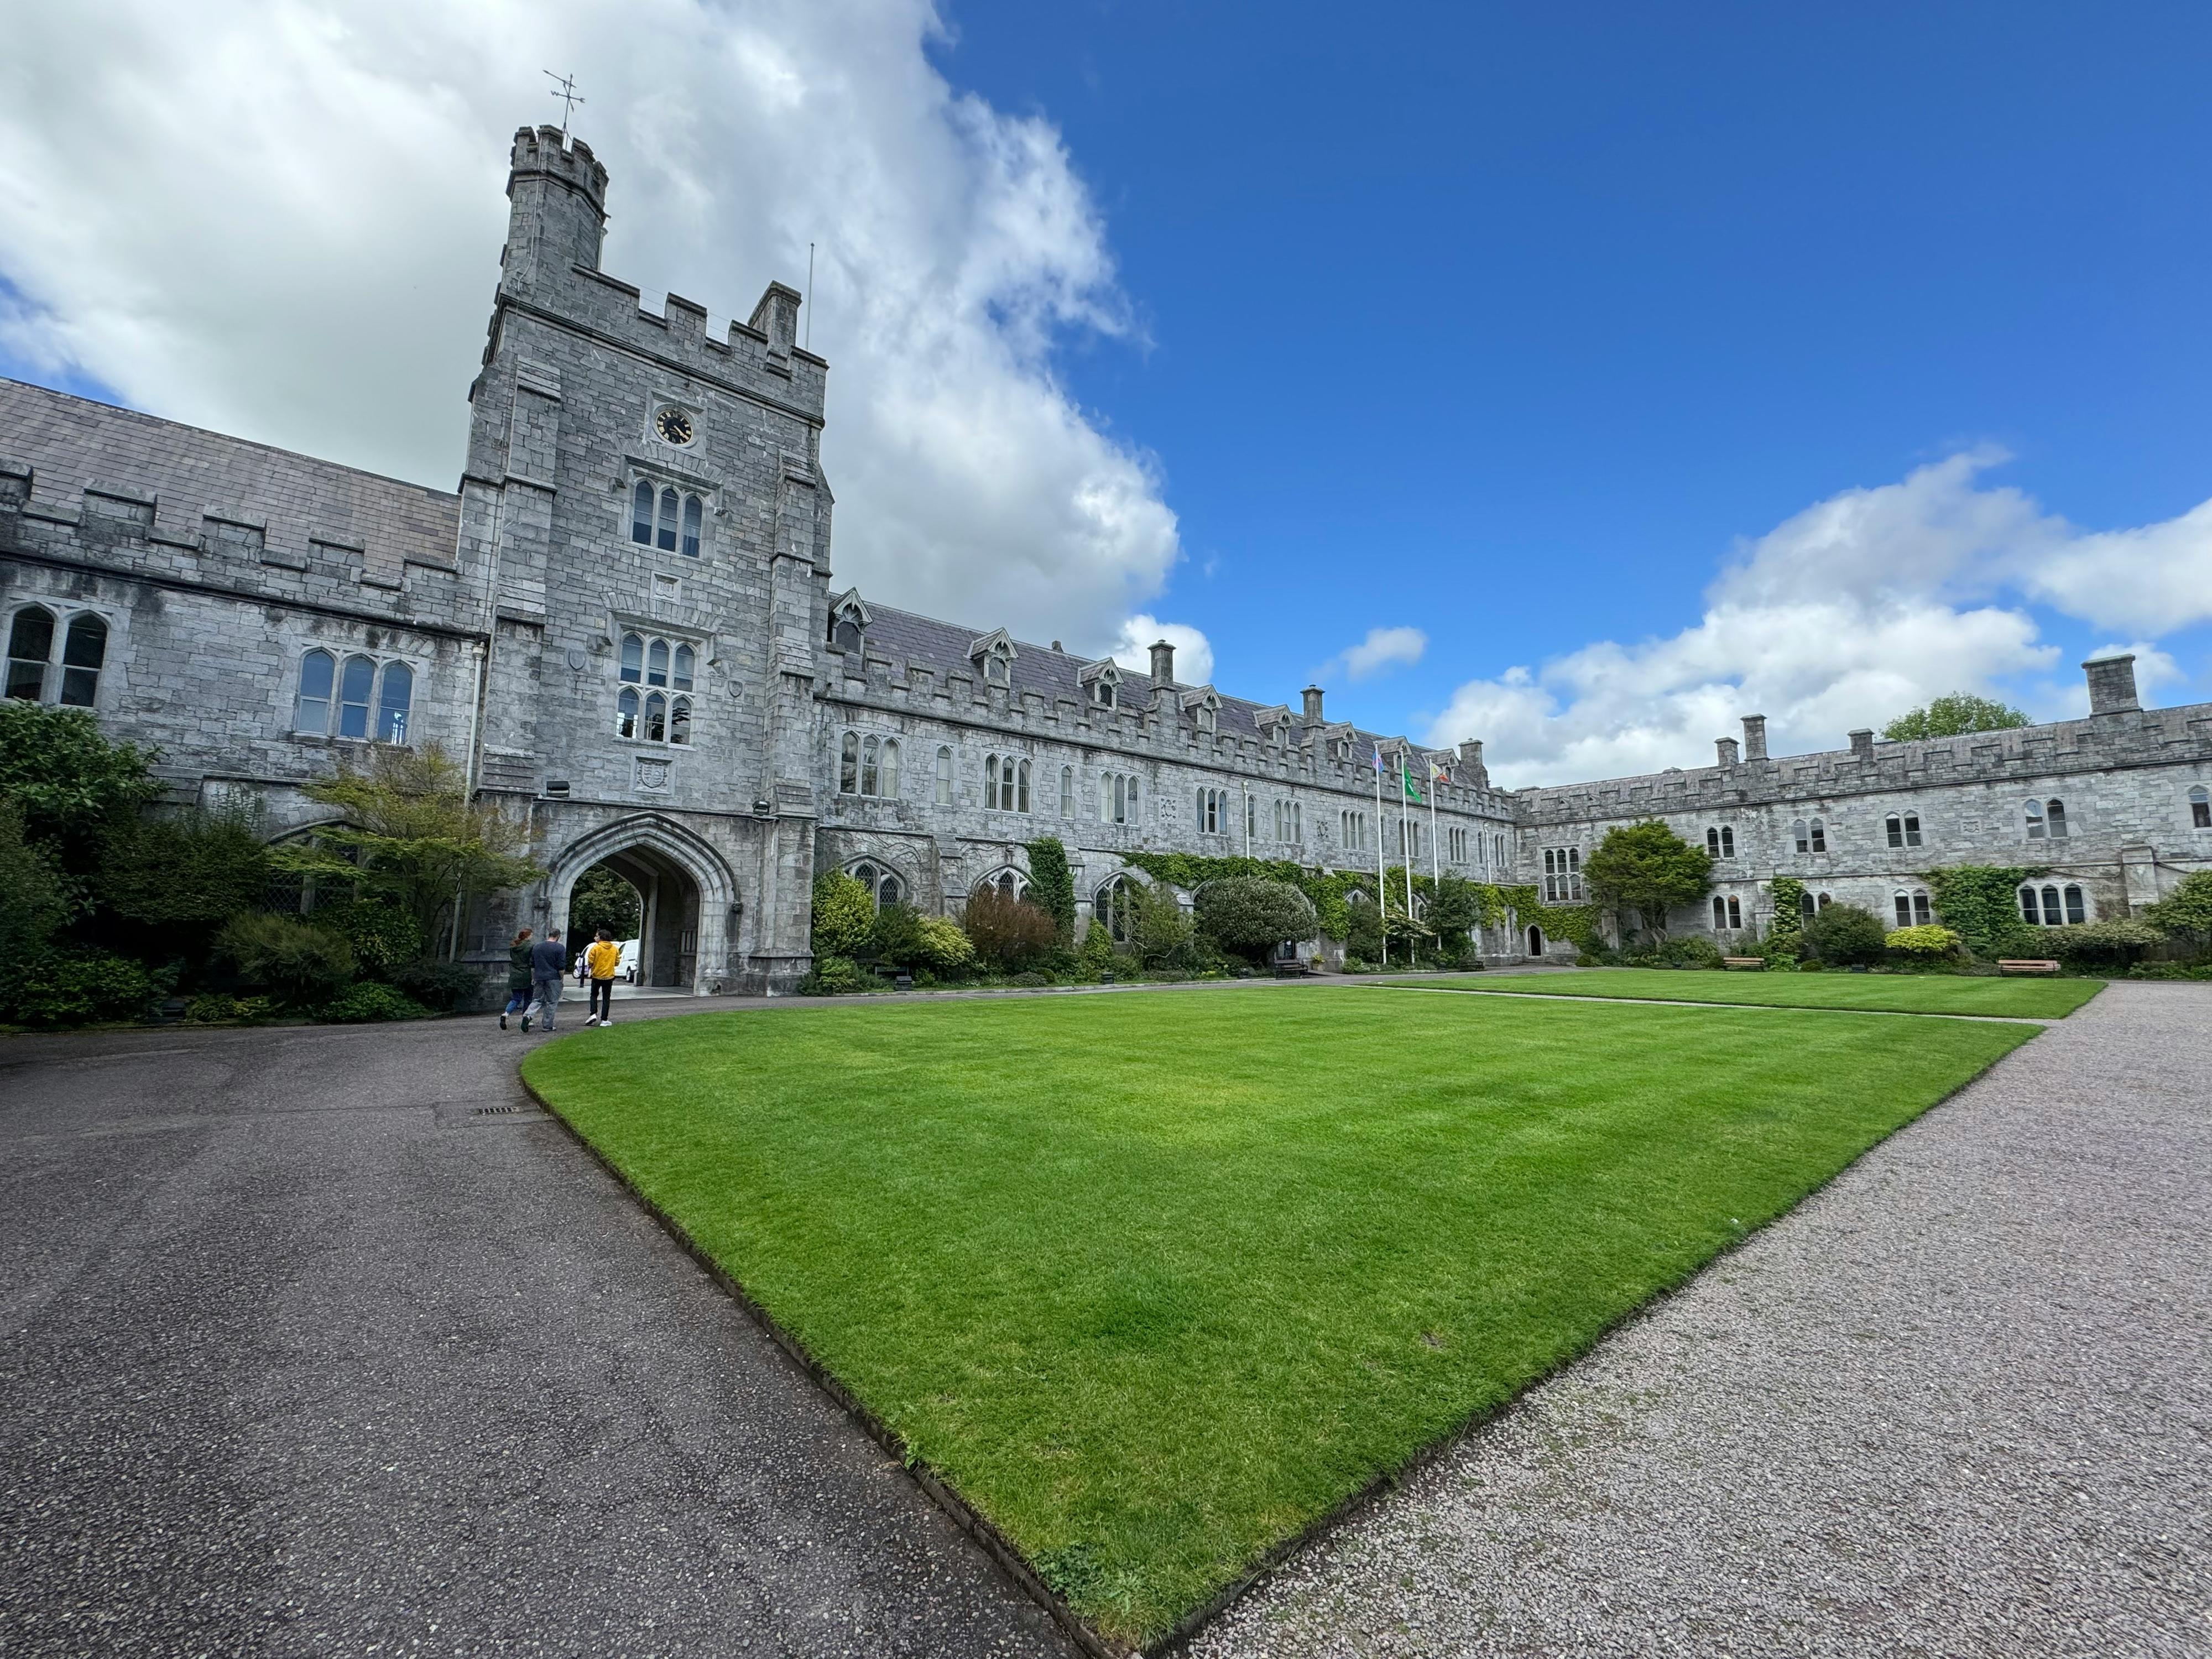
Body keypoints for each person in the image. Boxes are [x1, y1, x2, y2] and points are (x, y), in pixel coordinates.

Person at [521, 927, 565, 1033]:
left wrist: (533, 977)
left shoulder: (537, 947)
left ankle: (528, 1016)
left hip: (539, 976)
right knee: (551, 1002)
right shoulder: (560, 948)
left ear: (549, 935)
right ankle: (547, 1025)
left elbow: (532, 964)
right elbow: (561, 966)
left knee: (537, 999)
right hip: (553, 977)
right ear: (558, 936)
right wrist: (561, 979)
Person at [583, 929, 623, 1026]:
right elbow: (617, 963)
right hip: (609, 977)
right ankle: (604, 1020)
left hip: (597, 976)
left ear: (601, 938)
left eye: (597, 936)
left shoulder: (596, 949)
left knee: (594, 995)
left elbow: (590, 962)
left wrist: (593, 966)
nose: (595, 938)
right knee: (606, 998)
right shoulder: (614, 949)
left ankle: (593, 1013)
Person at [499, 927, 534, 1030]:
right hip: (525, 974)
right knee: (528, 998)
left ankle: (506, 1014)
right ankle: (526, 1018)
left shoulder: (513, 946)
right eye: (531, 935)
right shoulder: (530, 946)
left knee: (516, 998)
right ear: (528, 936)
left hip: (514, 974)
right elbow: (531, 961)